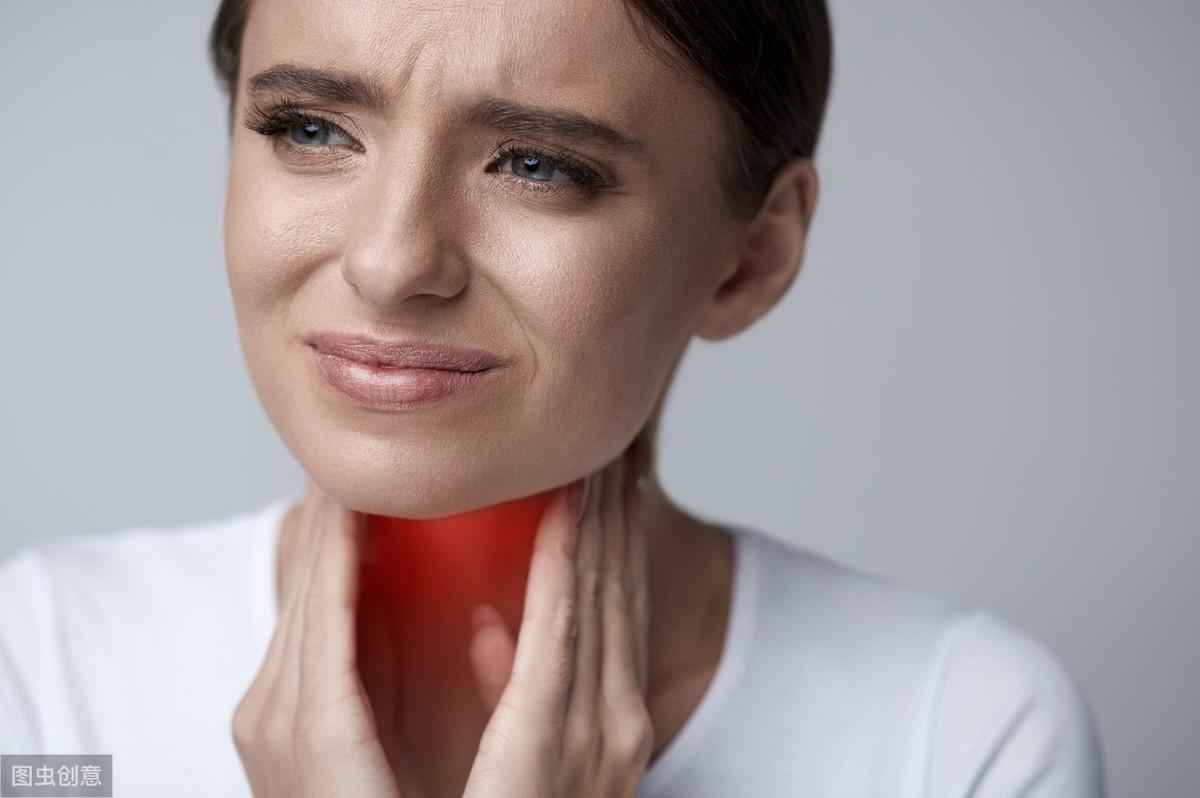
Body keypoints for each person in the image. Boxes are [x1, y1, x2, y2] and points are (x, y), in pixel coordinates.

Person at [0, 0, 1106, 796]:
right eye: (312, 128)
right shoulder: (43, 681)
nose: (391, 263)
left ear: (750, 258)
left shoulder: (956, 737)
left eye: (535, 164)